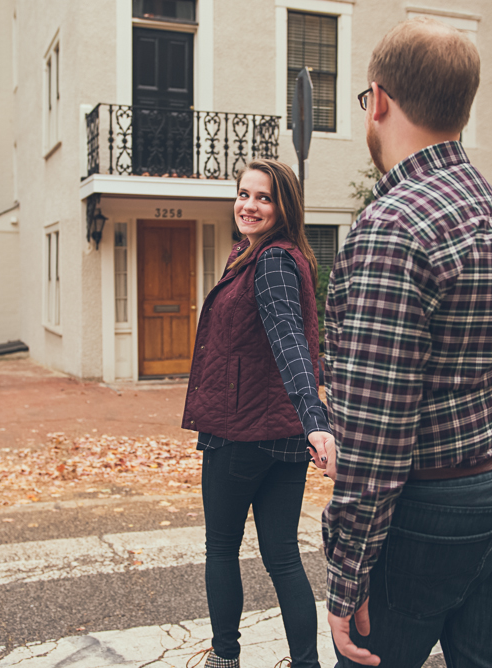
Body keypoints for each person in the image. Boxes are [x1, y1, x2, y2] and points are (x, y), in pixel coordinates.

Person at [321, 18, 492, 668]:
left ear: (378, 101)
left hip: (442, 504)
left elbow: (375, 428)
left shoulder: (391, 226)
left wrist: (346, 577)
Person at [182, 159, 333, 668]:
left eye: (263, 197)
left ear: (283, 205)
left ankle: (225, 658)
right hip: (283, 434)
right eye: (244, 194)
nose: (249, 205)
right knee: (282, 554)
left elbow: (290, 341)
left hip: (242, 429)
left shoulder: (269, 262)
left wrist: (316, 418)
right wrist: (310, 420)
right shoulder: (272, 257)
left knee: (222, 549)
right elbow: (306, 340)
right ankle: (307, 663)